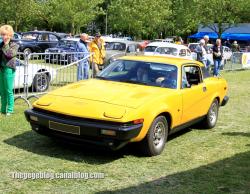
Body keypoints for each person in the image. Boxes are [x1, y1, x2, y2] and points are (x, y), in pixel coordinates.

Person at [0, 25, 19, 116]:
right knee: (2, 90)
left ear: (10, 35)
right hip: (1, 68)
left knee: (8, 90)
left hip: (9, 69)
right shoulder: (1, 44)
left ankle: (10, 109)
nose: (4, 36)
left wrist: (6, 44)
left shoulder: (14, 45)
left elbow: (9, 55)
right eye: (3, 34)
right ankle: (3, 109)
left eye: (6, 34)